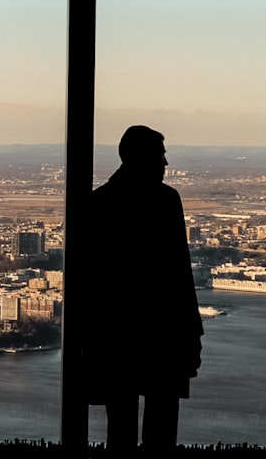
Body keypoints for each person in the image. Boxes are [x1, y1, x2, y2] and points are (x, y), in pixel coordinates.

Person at [77, 125, 203, 450]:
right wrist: (192, 333)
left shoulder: (98, 203)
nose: (165, 163)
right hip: (162, 332)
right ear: (141, 157)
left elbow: (90, 279)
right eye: (160, 155)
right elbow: (179, 274)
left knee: (119, 423)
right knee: (162, 425)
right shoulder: (166, 201)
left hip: (115, 334)